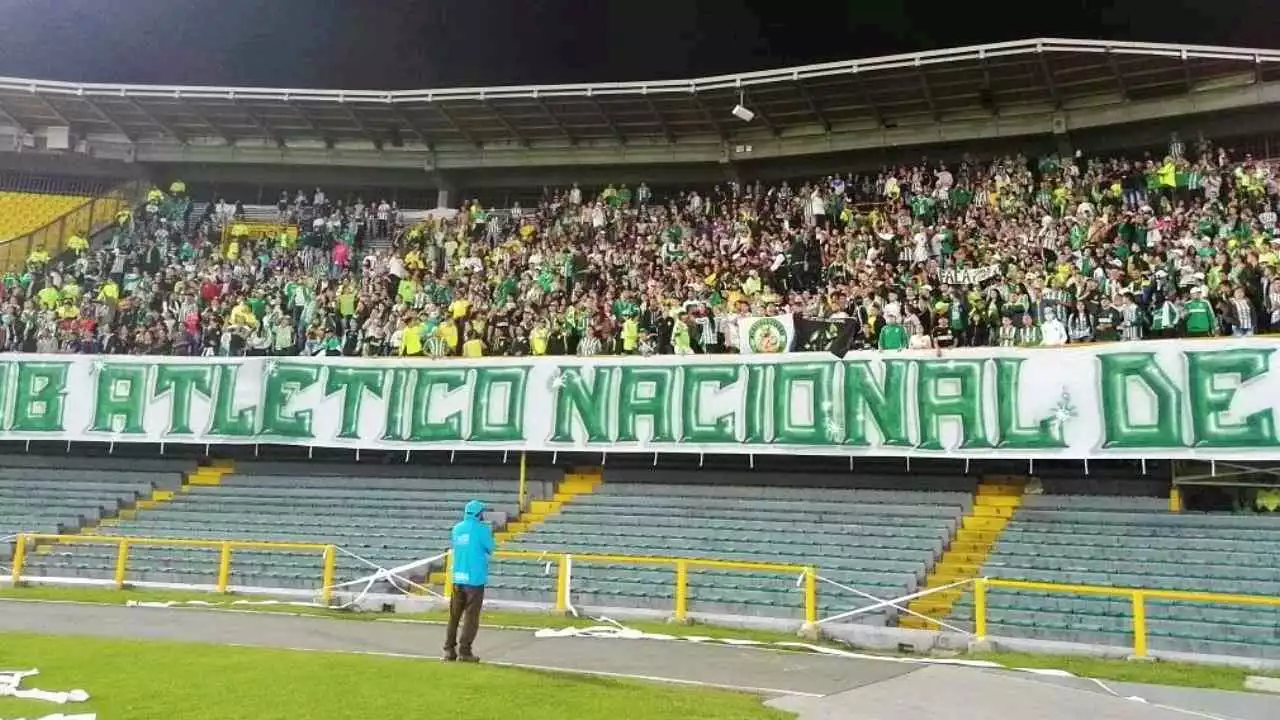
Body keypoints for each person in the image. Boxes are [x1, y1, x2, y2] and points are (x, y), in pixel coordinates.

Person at [444, 499, 494, 663]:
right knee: (471, 618)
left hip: (458, 576)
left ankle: (449, 650)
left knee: (454, 616)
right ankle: (465, 651)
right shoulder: (482, 530)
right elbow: (490, 548)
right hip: (474, 579)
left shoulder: (457, 529)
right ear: (480, 514)